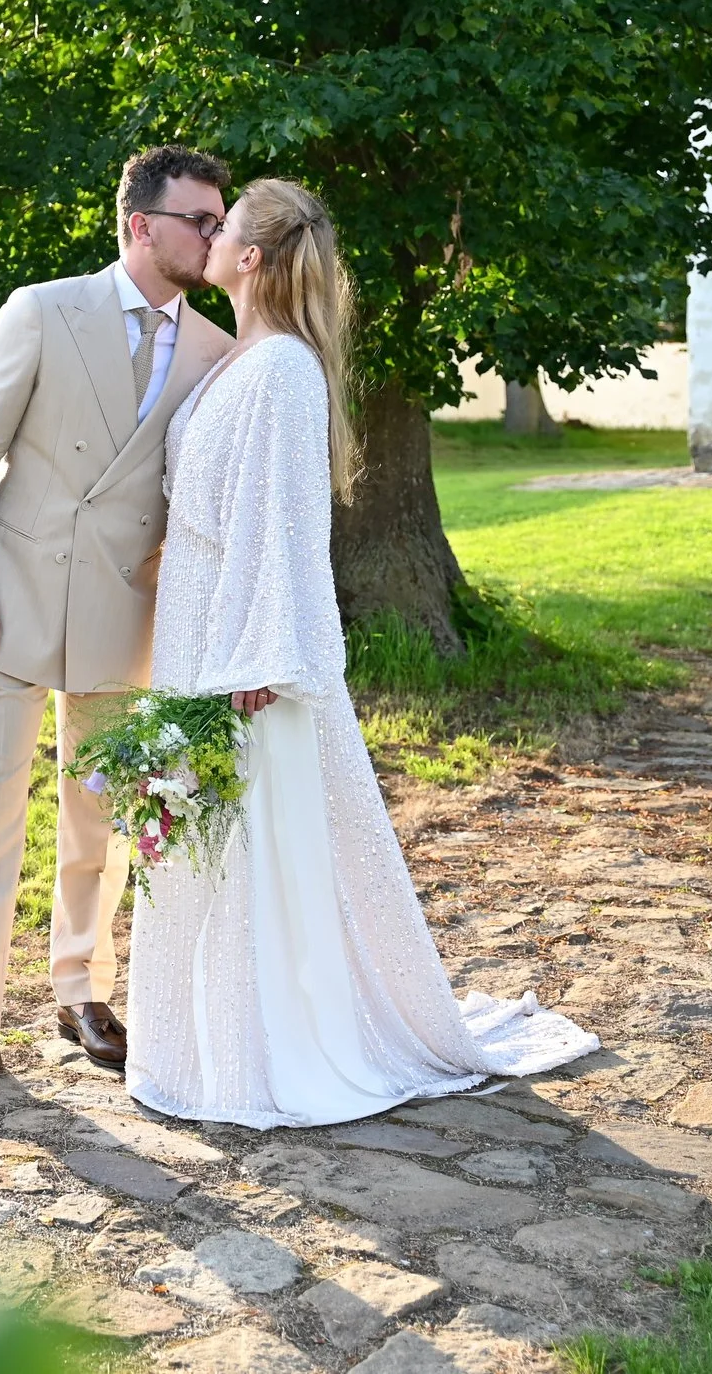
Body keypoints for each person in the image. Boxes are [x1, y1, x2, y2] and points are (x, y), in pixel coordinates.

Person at [126, 178, 598, 1126]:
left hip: (242, 651)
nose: (208, 240)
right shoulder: (232, 360)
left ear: (251, 258)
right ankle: (197, 1040)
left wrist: (260, 654)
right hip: (194, 623)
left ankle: (266, 1048)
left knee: (246, 841)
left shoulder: (286, 371)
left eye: (223, 230)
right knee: (198, 837)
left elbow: (290, 530)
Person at [0, 146, 237, 1104]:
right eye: (201, 221)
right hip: (9, 600)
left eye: (220, 222)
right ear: (142, 225)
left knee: (99, 814)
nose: (217, 237)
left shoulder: (216, 350)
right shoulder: (42, 308)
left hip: (122, 610)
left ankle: (82, 990)